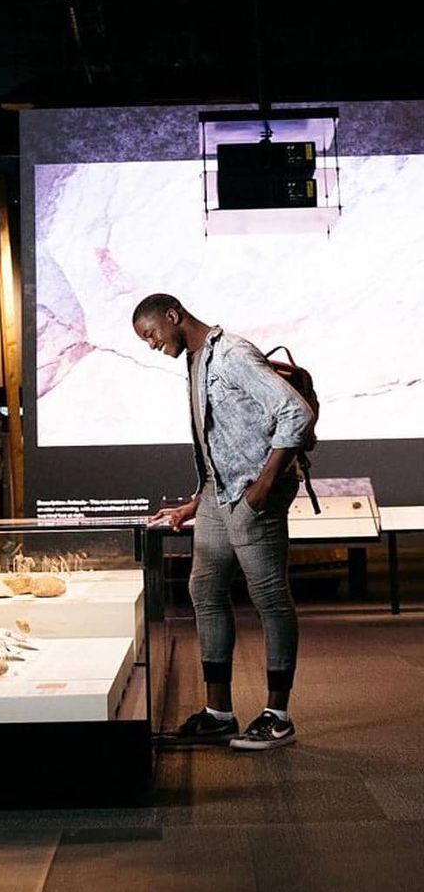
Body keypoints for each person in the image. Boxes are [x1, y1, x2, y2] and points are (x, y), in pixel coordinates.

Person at [132, 293, 314, 751]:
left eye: (151, 333)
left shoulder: (232, 353)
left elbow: (295, 413)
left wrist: (263, 487)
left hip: (254, 494)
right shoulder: (195, 360)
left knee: (269, 595)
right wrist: (196, 502)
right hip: (218, 494)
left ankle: (278, 717)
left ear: (173, 316)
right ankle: (219, 714)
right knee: (204, 590)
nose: (151, 344)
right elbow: (223, 441)